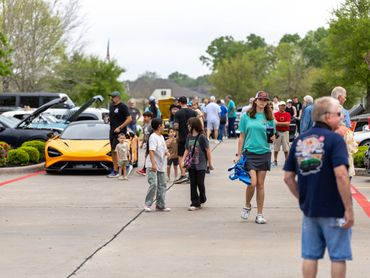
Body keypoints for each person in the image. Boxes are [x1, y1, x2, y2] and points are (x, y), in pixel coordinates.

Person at [284, 96, 354, 278]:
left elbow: (288, 177)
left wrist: (302, 198)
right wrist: (348, 208)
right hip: (335, 209)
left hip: (310, 209)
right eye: (338, 114)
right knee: (338, 257)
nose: (341, 117)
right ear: (327, 116)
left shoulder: (300, 140)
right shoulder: (335, 140)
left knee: (310, 256)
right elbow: (341, 174)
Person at [237, 91, 275, 224]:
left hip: (264, 152)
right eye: (260, 99)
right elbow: (241, 136)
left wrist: (273, 138)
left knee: (260, 184)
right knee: (252, 182)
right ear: (255, 101)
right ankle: (247, 205)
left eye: (265, 100)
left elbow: (272, 137)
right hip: (250, 152)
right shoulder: (246, 116)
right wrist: (239, 154)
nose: (262, 102)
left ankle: (259, 214)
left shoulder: (269, 117)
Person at [181, 117, 213, 211]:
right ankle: (194, 203)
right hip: (191, 164)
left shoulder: (202, 137)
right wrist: (183, 160)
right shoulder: (188, 136)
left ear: (194, 125)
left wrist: (209, 164)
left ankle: (202, 198)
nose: (188, 126)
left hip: (201, 164)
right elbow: (187, 149)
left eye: (189, 125)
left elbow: (208, 151)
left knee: (200, 183)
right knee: (193, 184)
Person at [143, 118, 171, 212]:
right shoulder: (153, 137)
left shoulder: (161, 137)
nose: (164, 126)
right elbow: (151, 151)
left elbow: (164, 148)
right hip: (152, 165)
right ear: (159, 126)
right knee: (154, 184)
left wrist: (167, 153)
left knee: (162, 185)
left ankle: (160, 205)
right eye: (163, 124)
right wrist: (153, 164)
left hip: (160, 165)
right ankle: (147, 204)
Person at [108, 91, 132, 178]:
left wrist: (120, 127)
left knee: (120, 151)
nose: (112, 98)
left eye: (113, 97)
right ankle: (115, 170)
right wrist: (107, 120)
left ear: (118, 97)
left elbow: (129, 119)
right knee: (113, 151)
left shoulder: (123, 106)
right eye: (111, 97)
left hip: (120, 133)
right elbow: (112, 118)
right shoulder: (111, 106)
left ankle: (122, 169)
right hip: (112, 131)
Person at [174, 96, 198, 184]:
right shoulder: (193, 112)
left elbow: (176, 126)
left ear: (180, 103)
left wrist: (176, 135)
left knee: (181, 157)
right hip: (193, 137)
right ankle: (192, 176)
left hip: (182, 138)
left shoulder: (178, 113)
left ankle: (183, 175)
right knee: (192, 156)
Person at [272, 101, 291, 167]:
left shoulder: (288, 114)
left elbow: (288, 123)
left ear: (285, 107)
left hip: (285, 132)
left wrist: (278, 123)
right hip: (277, 132)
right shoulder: (275, 114)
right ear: (279, 106)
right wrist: (283, 123)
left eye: (283, 106)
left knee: (286, 148)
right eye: (281, 106)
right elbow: (275, 123)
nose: (282, 107)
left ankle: (287, 161)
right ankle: (275, 160)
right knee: (276, 148)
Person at [137, 111, 153, 176]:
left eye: (146, 117)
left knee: (148, 156)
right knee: (146, 155)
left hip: (151, 142)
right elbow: (144, 134)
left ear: (150, 117)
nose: (144, 118)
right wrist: (142, 143)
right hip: (147, 143)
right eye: (144, 117)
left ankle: (145, 169)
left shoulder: (151, 124)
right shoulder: (145, 125)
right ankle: (145, 169)